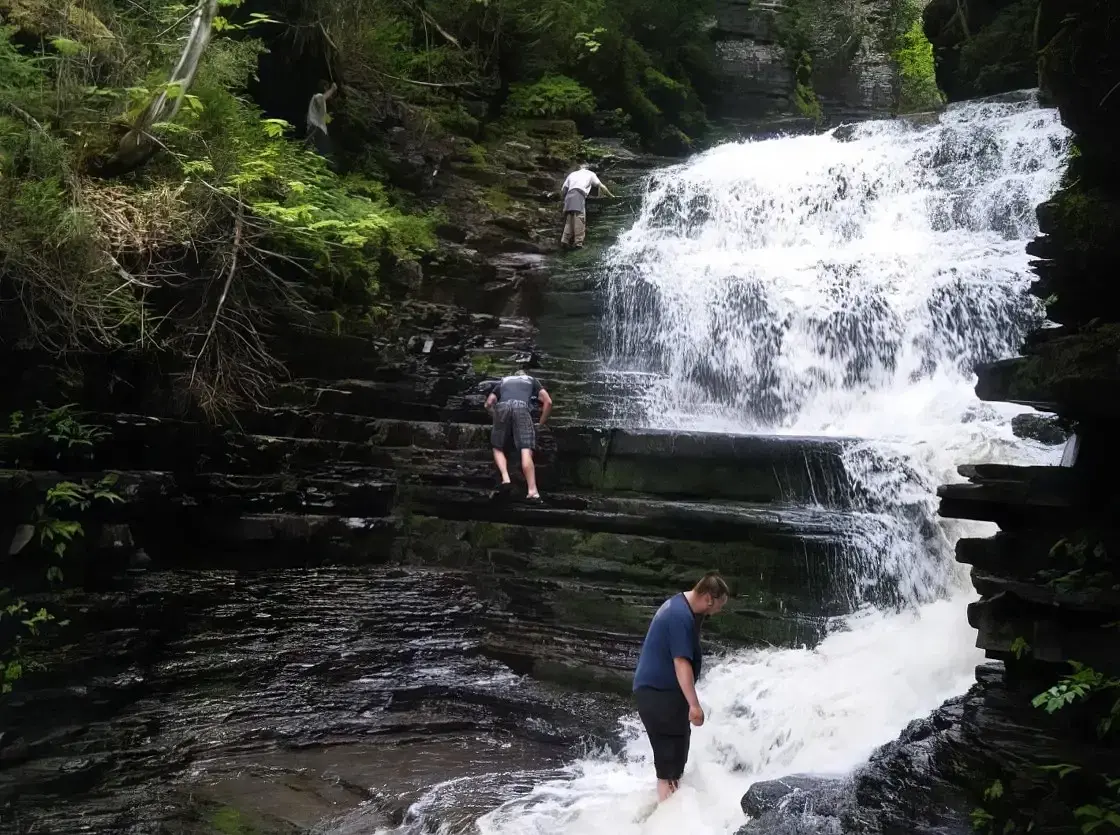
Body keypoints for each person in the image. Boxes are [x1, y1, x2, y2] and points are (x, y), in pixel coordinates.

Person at [633, 572, 730, 802]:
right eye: (719, 605)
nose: (719, 610)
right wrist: (694, 705)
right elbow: (681, 663)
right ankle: (665, 818)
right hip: (658, 696)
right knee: (668, 767)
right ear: (708, 598)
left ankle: (667, 816)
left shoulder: (682, 608)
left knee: (675, 762)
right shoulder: (679, 616)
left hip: (663, 696)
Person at [484, 365, 553, 502]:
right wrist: (541, 423)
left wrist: (496, 417)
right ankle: (532, 491)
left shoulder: (503, 381)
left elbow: (488, 404)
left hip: (502, 407)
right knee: (526, 450)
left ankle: (505, 478)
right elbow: (548, 402)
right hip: (522, 407)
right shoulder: (531, 380)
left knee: (497, 447)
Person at [560, 164, 614, 249]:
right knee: (580, 218)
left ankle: (564, 240)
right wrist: (612, 197)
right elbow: (602, 186)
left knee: (570, 219)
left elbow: (563, 190)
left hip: (568, 196)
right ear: (588, 168)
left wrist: (565, 200)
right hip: (578, 195)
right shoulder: (590, 174)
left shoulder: (572, 174)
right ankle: (578, 243)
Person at [306, 81, 338, 157]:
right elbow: (321, 98)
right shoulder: (318, 96)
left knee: (318, 155)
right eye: (327, 88)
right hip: (317, 130)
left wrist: (329, 117)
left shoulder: (317, 103)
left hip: (316, 130)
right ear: (324, 88)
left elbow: (322, 119)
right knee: (327, 154)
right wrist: (332, 89)